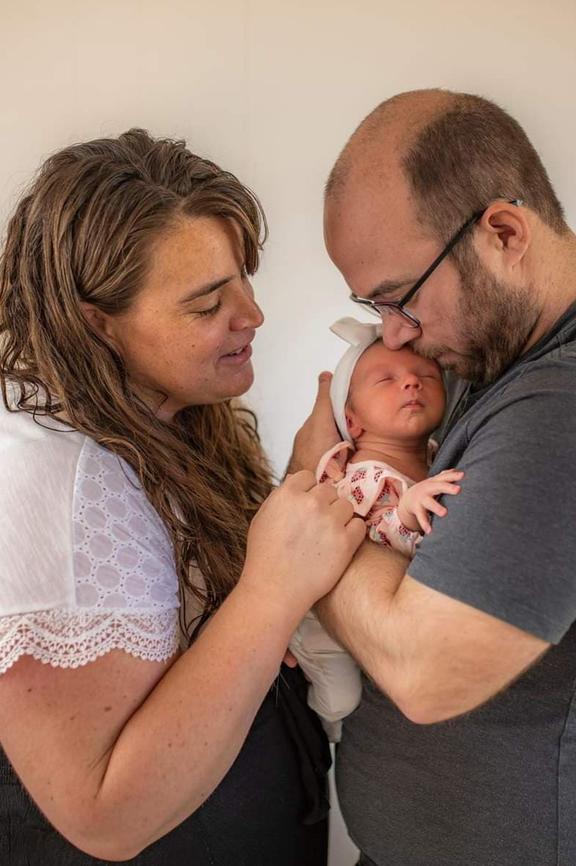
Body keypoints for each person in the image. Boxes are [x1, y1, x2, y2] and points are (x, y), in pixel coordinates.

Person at [291, 89, 576, 866]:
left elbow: (423, 670)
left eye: (398, 299)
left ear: (503, 232)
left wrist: (306, 509)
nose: (392, 335)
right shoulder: (497, 356)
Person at [0, 129, 365, 865]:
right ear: (96, 324)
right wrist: (273, 588)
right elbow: (103, 815)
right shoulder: (49, 478)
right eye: (206, 305)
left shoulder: (167, 418)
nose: (252, 315)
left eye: (243, 279)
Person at [290, 317, 463, 740]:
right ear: (352, 421)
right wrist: (404, 513)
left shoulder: (437, 456)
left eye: (425, 375)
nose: (411, 384)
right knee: (341, 699)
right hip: (320, 625)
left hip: (381, 622)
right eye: (386, 379)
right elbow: (362, 534)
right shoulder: (364, 475)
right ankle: (317, 718)